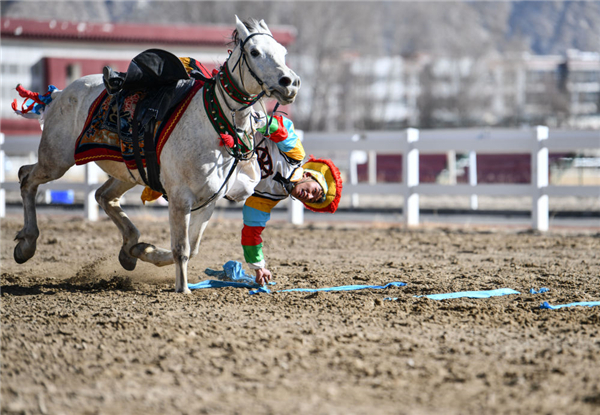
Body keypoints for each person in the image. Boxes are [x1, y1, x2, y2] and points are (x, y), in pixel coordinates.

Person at [242, 114, 342, 285]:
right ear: (309, 175)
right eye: (314, 191)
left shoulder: (269, 198)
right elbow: (281, 130)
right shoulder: (296, 155)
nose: (308, 196)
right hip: (242, 123)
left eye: (311, 199)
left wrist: (258, 267)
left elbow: (251, 232)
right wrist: (264, 123)